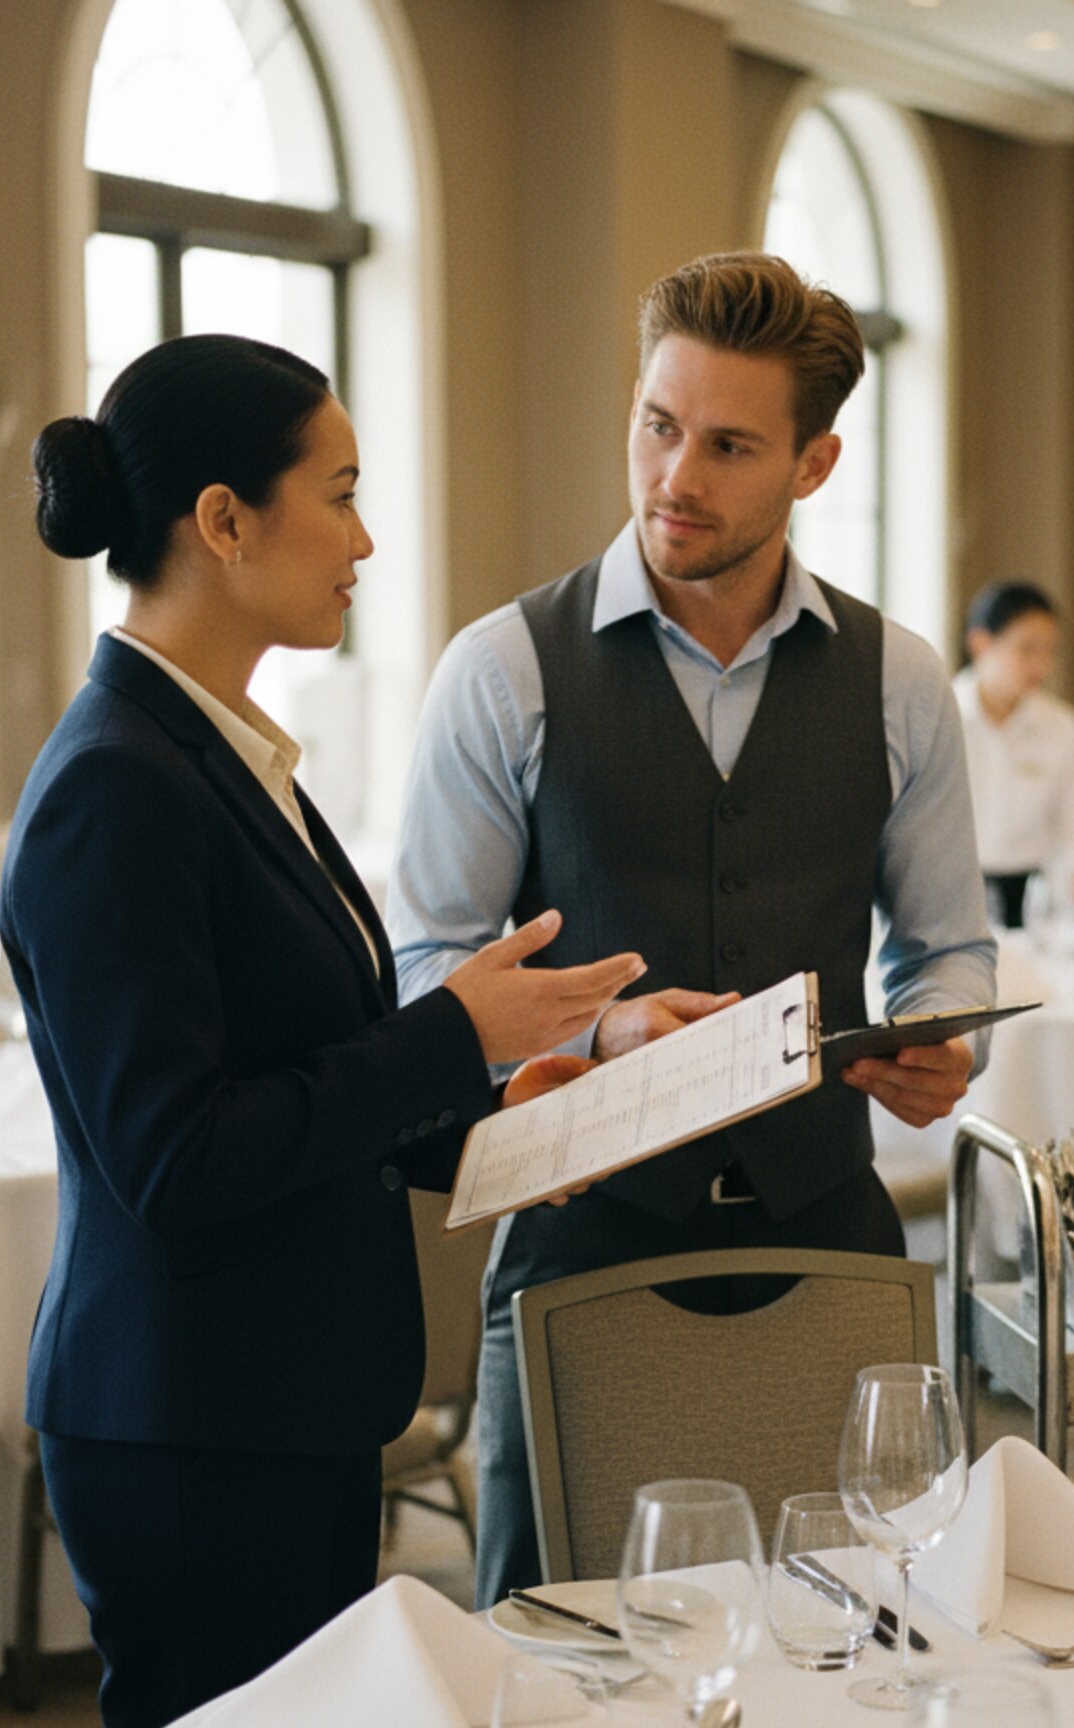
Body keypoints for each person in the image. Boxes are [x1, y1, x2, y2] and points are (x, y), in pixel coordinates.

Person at [3, 335, 643, 1728]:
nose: (364, 540)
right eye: (338, 495)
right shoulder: (118, 788)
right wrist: (450, 1032)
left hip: (275, 1404)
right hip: (188, 1428)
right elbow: (179, 1156)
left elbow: (308, 1080)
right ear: (223, 522)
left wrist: (513, 1120)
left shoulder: (226, 755)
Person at [389, 251, 997, 1608]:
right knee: (551, 1647)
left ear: (815, 463)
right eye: (660, 426)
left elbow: (949, 945)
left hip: (826, 1235)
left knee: (849, 1629)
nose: (678, 475)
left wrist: (944, 1041)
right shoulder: (501, 671)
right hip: (583, 1238)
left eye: (729, 445)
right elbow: (425, 965)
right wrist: (598, 1028)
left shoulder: (900, 682)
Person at [953, 580, 1074, 927]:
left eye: (1049, 651)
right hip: (956, 897)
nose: (1040, 666)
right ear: (981, 643)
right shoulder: (941, 717)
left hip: (1039, 903)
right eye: (1026, 650)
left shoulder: (1063, 726)